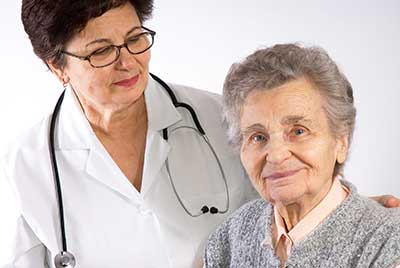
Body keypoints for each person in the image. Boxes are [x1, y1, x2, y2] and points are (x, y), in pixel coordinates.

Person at [0, 1, 398, 267]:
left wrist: (357, 213)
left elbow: (291, 185)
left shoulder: (218, 116)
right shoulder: (31, 160)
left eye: (135, 39)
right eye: (102, 51)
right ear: (58, 66)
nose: (128, 62)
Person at [204, 43, 400, 268]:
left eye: (298, 131)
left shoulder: (389, 242)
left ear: (341, 142)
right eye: (258, 137)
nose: (276, 156)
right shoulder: (227, 238)